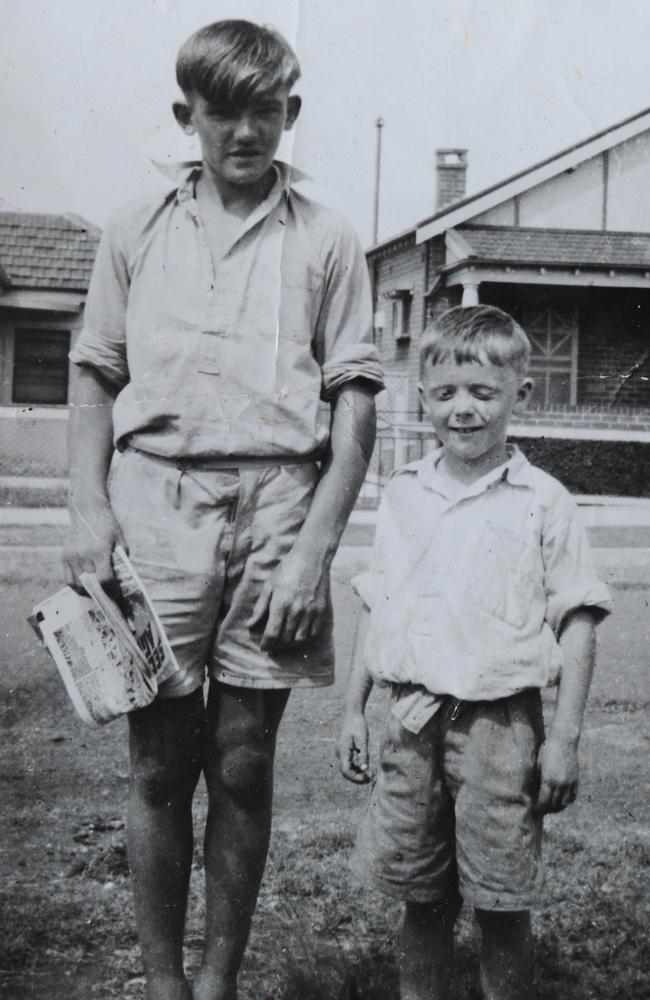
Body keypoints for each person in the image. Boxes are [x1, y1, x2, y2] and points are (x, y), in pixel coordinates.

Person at [62, 19, 383, 1000]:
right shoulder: (134, 228)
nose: (243, 130)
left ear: (288, 113)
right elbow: (94, 370)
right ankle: (164, 987)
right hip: (155, 504)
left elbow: (355, 399)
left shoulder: (326, 238)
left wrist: (312, 548)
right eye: (220, 111)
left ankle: (217, 985)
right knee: (160, 763)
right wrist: (87, 507)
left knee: (242, 761)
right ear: (185, 116)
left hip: (281, 507)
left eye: (264, 109)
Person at [339, 304, 611, 1000]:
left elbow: (578, 623)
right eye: (446, 394)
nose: (463, 410)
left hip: (501, 729)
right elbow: (381, 608)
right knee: (421, 900)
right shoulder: (403, 495)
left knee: (500, 903)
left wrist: (565, 741)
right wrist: (351, 710)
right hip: (409, 724)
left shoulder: (543, 501)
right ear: (422, 397)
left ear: (521, 395)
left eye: (483, 394)